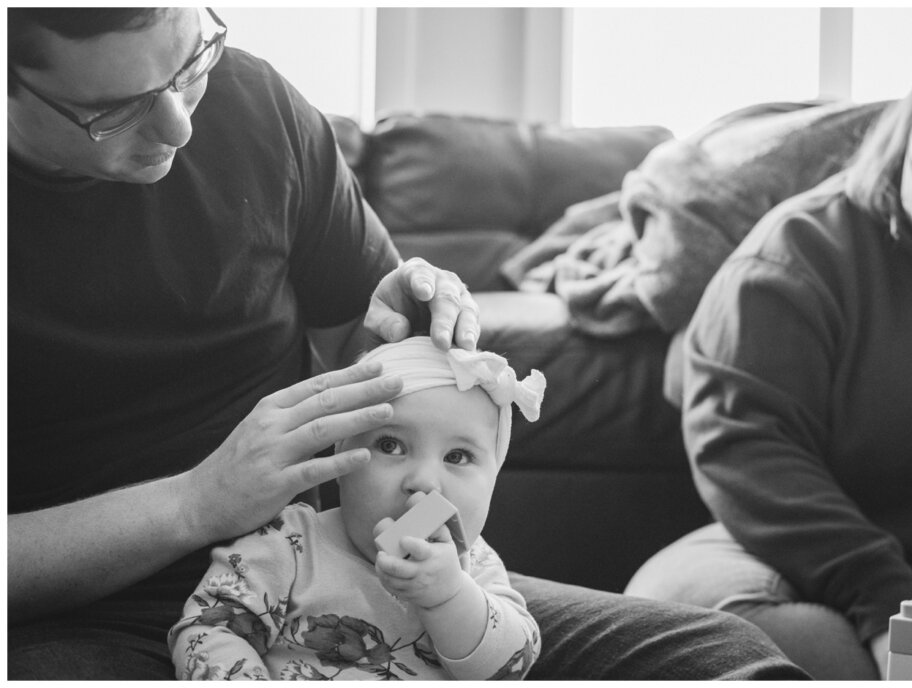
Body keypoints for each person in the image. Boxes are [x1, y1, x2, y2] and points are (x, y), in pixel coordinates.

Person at [7, 8, 810, 681]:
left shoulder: (256, 106)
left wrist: (391, 330)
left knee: (719, 656)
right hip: (92, 625)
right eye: (117, 108)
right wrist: (193, 504)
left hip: (353, 572)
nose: (181, 125)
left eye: (189, 64)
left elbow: (369, 366)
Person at [626, 7, 912, 681]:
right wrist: (893, 610)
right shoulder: (797, 252)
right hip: (827, 574)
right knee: (683, 615)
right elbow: (745, 445)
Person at [168, 337, 546, 680]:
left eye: (458, 456)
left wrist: (449, 597)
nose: (425, 482)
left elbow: (512, 665)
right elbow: (207, 629)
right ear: (341, 457)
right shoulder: (288, 545)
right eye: (391, 446)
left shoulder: (475, 565)